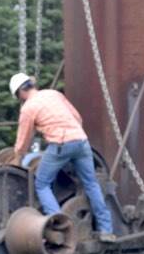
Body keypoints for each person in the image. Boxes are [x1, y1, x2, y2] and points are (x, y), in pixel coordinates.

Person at [9, 72, 115, 242]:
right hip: (82, 141)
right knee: (91, 184)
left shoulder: (28, 108)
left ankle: (61, 225)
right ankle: (106, 230)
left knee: (42, 183)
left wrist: (17, 158)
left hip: (60, 144)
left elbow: (23, 140)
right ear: (31, 85)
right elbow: (77, 117)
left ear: (20, 93)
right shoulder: (54, 94)